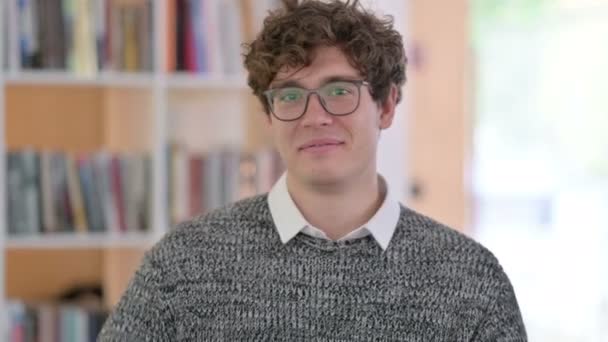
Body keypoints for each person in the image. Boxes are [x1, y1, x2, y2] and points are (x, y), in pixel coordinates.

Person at [99, 0, 527, 340]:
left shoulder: (471, 280)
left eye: (339, 91)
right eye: (289, 96)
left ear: (388, 105)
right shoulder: (182, 264)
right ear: (268, 115)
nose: (314, 116)